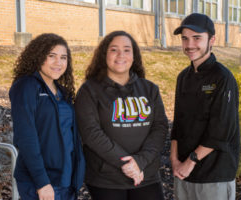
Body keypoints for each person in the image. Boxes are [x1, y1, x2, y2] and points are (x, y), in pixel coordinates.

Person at [75, 30, 168, 200]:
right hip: (106, 179)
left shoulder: (149, 89)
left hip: (145, 175)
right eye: (114, 49)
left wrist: (140, 162)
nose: (120, 55)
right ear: (104, 54)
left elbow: (160, 128)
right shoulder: (89, 90)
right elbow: (91, 133)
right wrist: (127, 164)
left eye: (126, 50)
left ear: (134, 56)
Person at [169, 13, 240, 200]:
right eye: (185, 38)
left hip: (214, 175)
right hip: (183, 173)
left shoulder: (223, 78)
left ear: (212, 40)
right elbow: (178, 124)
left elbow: (221, 131)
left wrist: (190, 162)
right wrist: (174, 160)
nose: (189, 45)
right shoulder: (183, 77)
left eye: (197, 38)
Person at [9, 33, 85, 200]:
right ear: (38, 56)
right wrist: (42, 182)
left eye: (63, 57)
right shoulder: (27, 86)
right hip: (41, 182)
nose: (58, 62)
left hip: (66, 180)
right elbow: (25, 137)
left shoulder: (63, 92)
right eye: (52, 56)